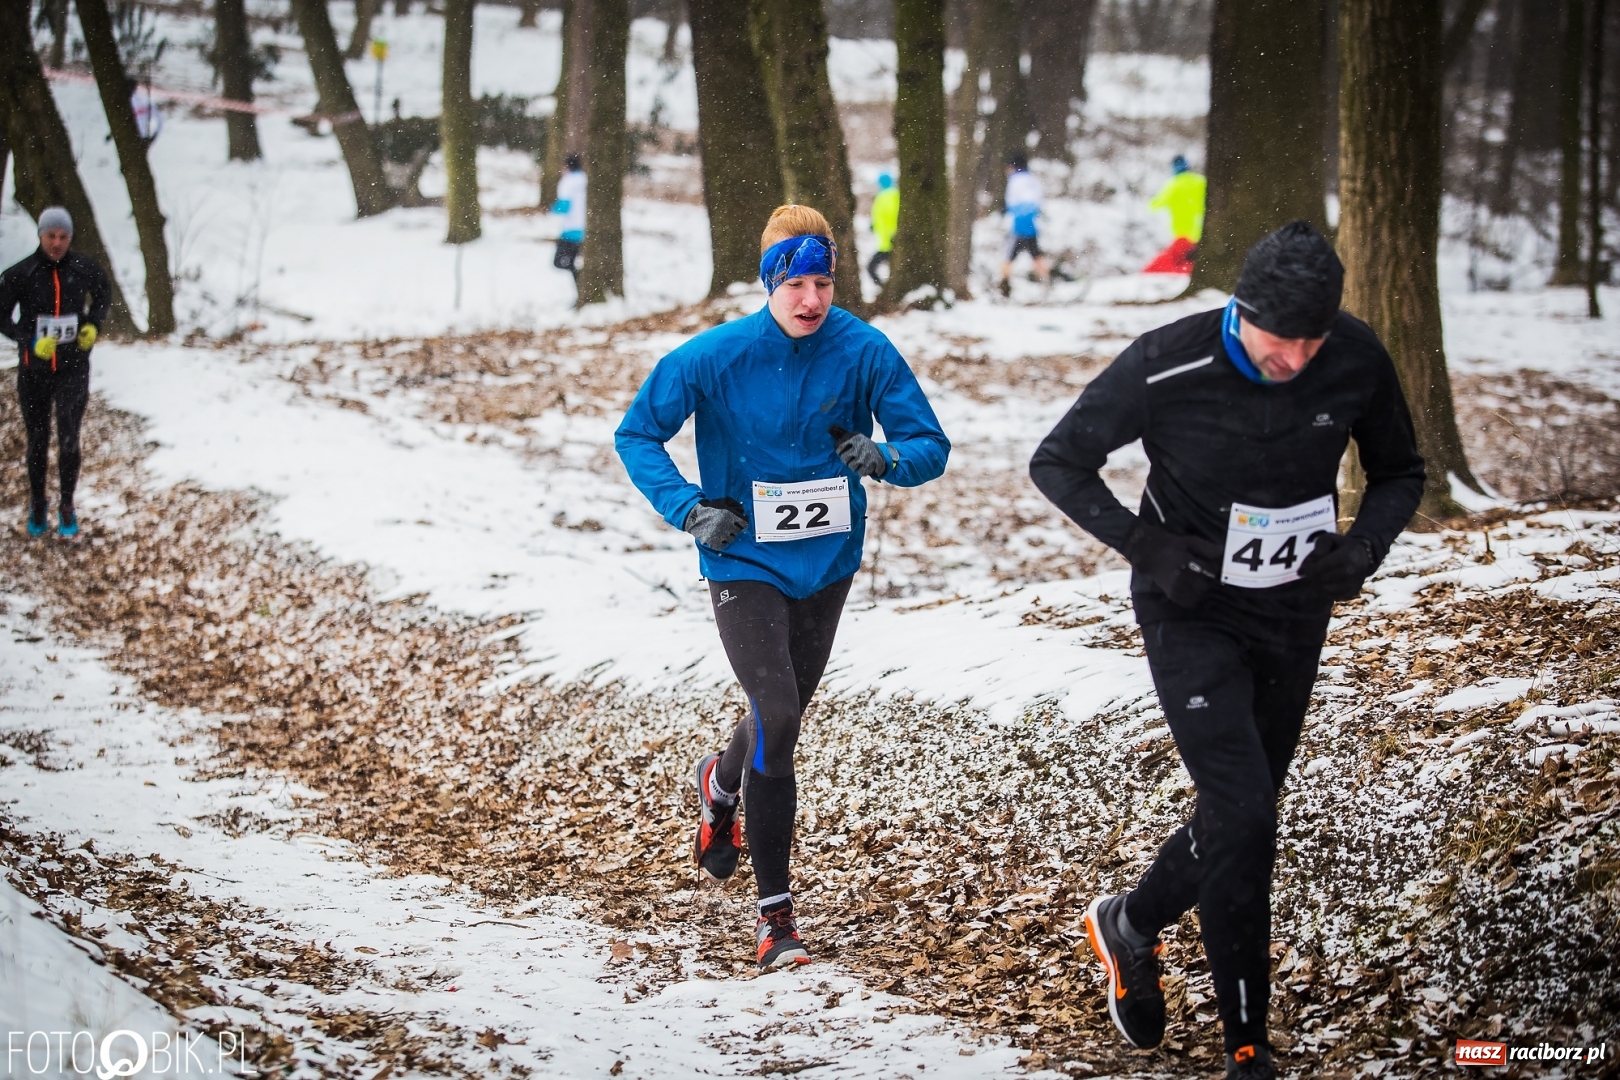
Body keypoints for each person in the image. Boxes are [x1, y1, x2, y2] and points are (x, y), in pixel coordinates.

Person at [1029, 221, 1424, 1080]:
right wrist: (1150, 548)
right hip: (1190, 609)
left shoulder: (1354, 357)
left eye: (1314, 341)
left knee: (1243, 816)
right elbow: (1058, 462)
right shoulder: (1164, 363)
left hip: (1293, 611)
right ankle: (1248, 1048)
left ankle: (1130, 926)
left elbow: (1401, 470)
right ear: (1240, 312)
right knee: (1245, 813)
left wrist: (1360, 551)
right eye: (1283, 342)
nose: (1298, 360)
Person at [616, 204, 950, 972]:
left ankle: (719, 779)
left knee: (784, 712)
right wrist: (689, 508)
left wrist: (884, 458)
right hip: (743, 558)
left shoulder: (863, 349)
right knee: (777, 713)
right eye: (795, 282)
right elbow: (636, 434)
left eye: (824, 281)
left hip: (827, 559)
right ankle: (776, 921)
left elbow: (931, 446)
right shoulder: (715, 356)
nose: (811, 299)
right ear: (770, 282)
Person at [0, 207, 111, 539]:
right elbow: (1, 315)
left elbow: (104, 295)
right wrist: (29, 341)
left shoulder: (84, 269)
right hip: (34, 371)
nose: (57, 243)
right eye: (51, 236)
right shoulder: (22, 273)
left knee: (68, 439)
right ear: (40, 235)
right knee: (37, 439)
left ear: (70, 238)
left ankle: (66, 504)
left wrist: (93, 324)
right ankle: (37, 503)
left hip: (73, 369)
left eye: (64, 237)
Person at [1144, 155, 1207, 275]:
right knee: (1193, 263)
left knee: (1174, 264)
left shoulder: (1173, 185)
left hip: (1182, 233)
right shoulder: (1201, 181)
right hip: (1201, 232)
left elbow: (1154, 205)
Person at [998, 152, 1050, 295]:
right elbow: (1037, 201)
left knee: (1009, 254)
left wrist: (1005, 212)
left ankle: (1003, 284)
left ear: (1014, 167)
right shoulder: (1032, 180)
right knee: (1035, 253)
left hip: (1019, 222)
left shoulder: (1015, 180)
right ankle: (1047, 281)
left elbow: (1012, 201)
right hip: (1030, 222)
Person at [552, 154, 586, 284]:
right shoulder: (585, 179)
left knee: (559, 262)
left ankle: (583, 284)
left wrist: (552, 209)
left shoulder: (567, 182)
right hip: (586, 228)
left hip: (570, 230)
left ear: (567, 167)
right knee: (572, 262)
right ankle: (585, 287)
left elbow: (563, 207)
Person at [867, 172, 898, 286]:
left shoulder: (887, 196)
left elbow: (890, 215)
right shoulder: (893, 194)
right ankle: (887, 289)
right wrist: (874, 225)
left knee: (871, 268)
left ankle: (886, 288)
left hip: (889, 241)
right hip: (889, 240)